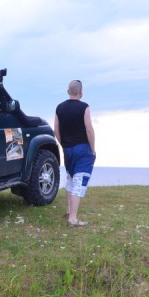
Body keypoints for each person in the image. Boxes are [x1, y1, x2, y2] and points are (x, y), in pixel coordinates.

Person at [54, 80, 96, 227]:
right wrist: (93, 149)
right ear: (81, 92)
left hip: (68, 149)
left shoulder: (59, 108)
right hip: (82, 149)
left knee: (71, 179)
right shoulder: (84, 107)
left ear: (68, 91)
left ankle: (68, 210)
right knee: (79, 181)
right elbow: (89, 130)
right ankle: (73, 218)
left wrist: (64, 145)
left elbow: (56, 131)